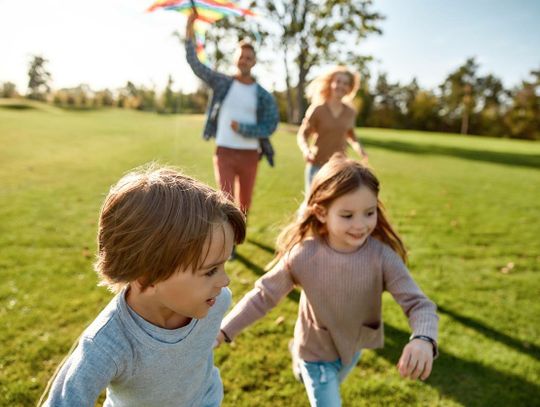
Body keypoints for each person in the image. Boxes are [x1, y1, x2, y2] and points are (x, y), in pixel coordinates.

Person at [216, 154, 439, 407]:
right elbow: (263, 295)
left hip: (351, 348)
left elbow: (419, 304)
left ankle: (298, 362)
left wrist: (424, 338)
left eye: (369, 212)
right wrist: (224, 329)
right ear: (322, 213)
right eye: (347, 215)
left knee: (316, 379)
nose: (361, 225)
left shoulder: (382, 257)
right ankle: (302, 359)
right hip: (316, 351)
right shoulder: (303, 255)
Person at [40, 166, 246, 406]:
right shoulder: (107, 345)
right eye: (210, 270)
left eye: (223, 265)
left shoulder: (217, 302)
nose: (225, 281)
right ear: (148, 273)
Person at [184, 13, 279, 247]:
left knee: (244, 203)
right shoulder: (223, 83)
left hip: (249, 155)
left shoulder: (262, 95)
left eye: (249, 57)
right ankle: (228, 243)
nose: (244, 60)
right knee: (225, 201)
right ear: (235, 59)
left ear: (254, 62)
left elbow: (271, 125)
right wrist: (190, 28)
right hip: (224, 151)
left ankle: (237, 236)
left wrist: (244, 128)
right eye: (241, 56)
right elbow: (195, 64)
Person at [297, 66, 368, 194]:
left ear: (350, 88)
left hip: (339, 167)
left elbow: (351, 135)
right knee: (312, 206)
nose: (341, 86)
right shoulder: (317, 109)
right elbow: (302, 134)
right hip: (317, 165)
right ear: (331, 83)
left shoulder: (350, 112)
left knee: (334, 207)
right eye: (338, 81)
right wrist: (306, 151)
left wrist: (359, 148)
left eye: (345, 83)